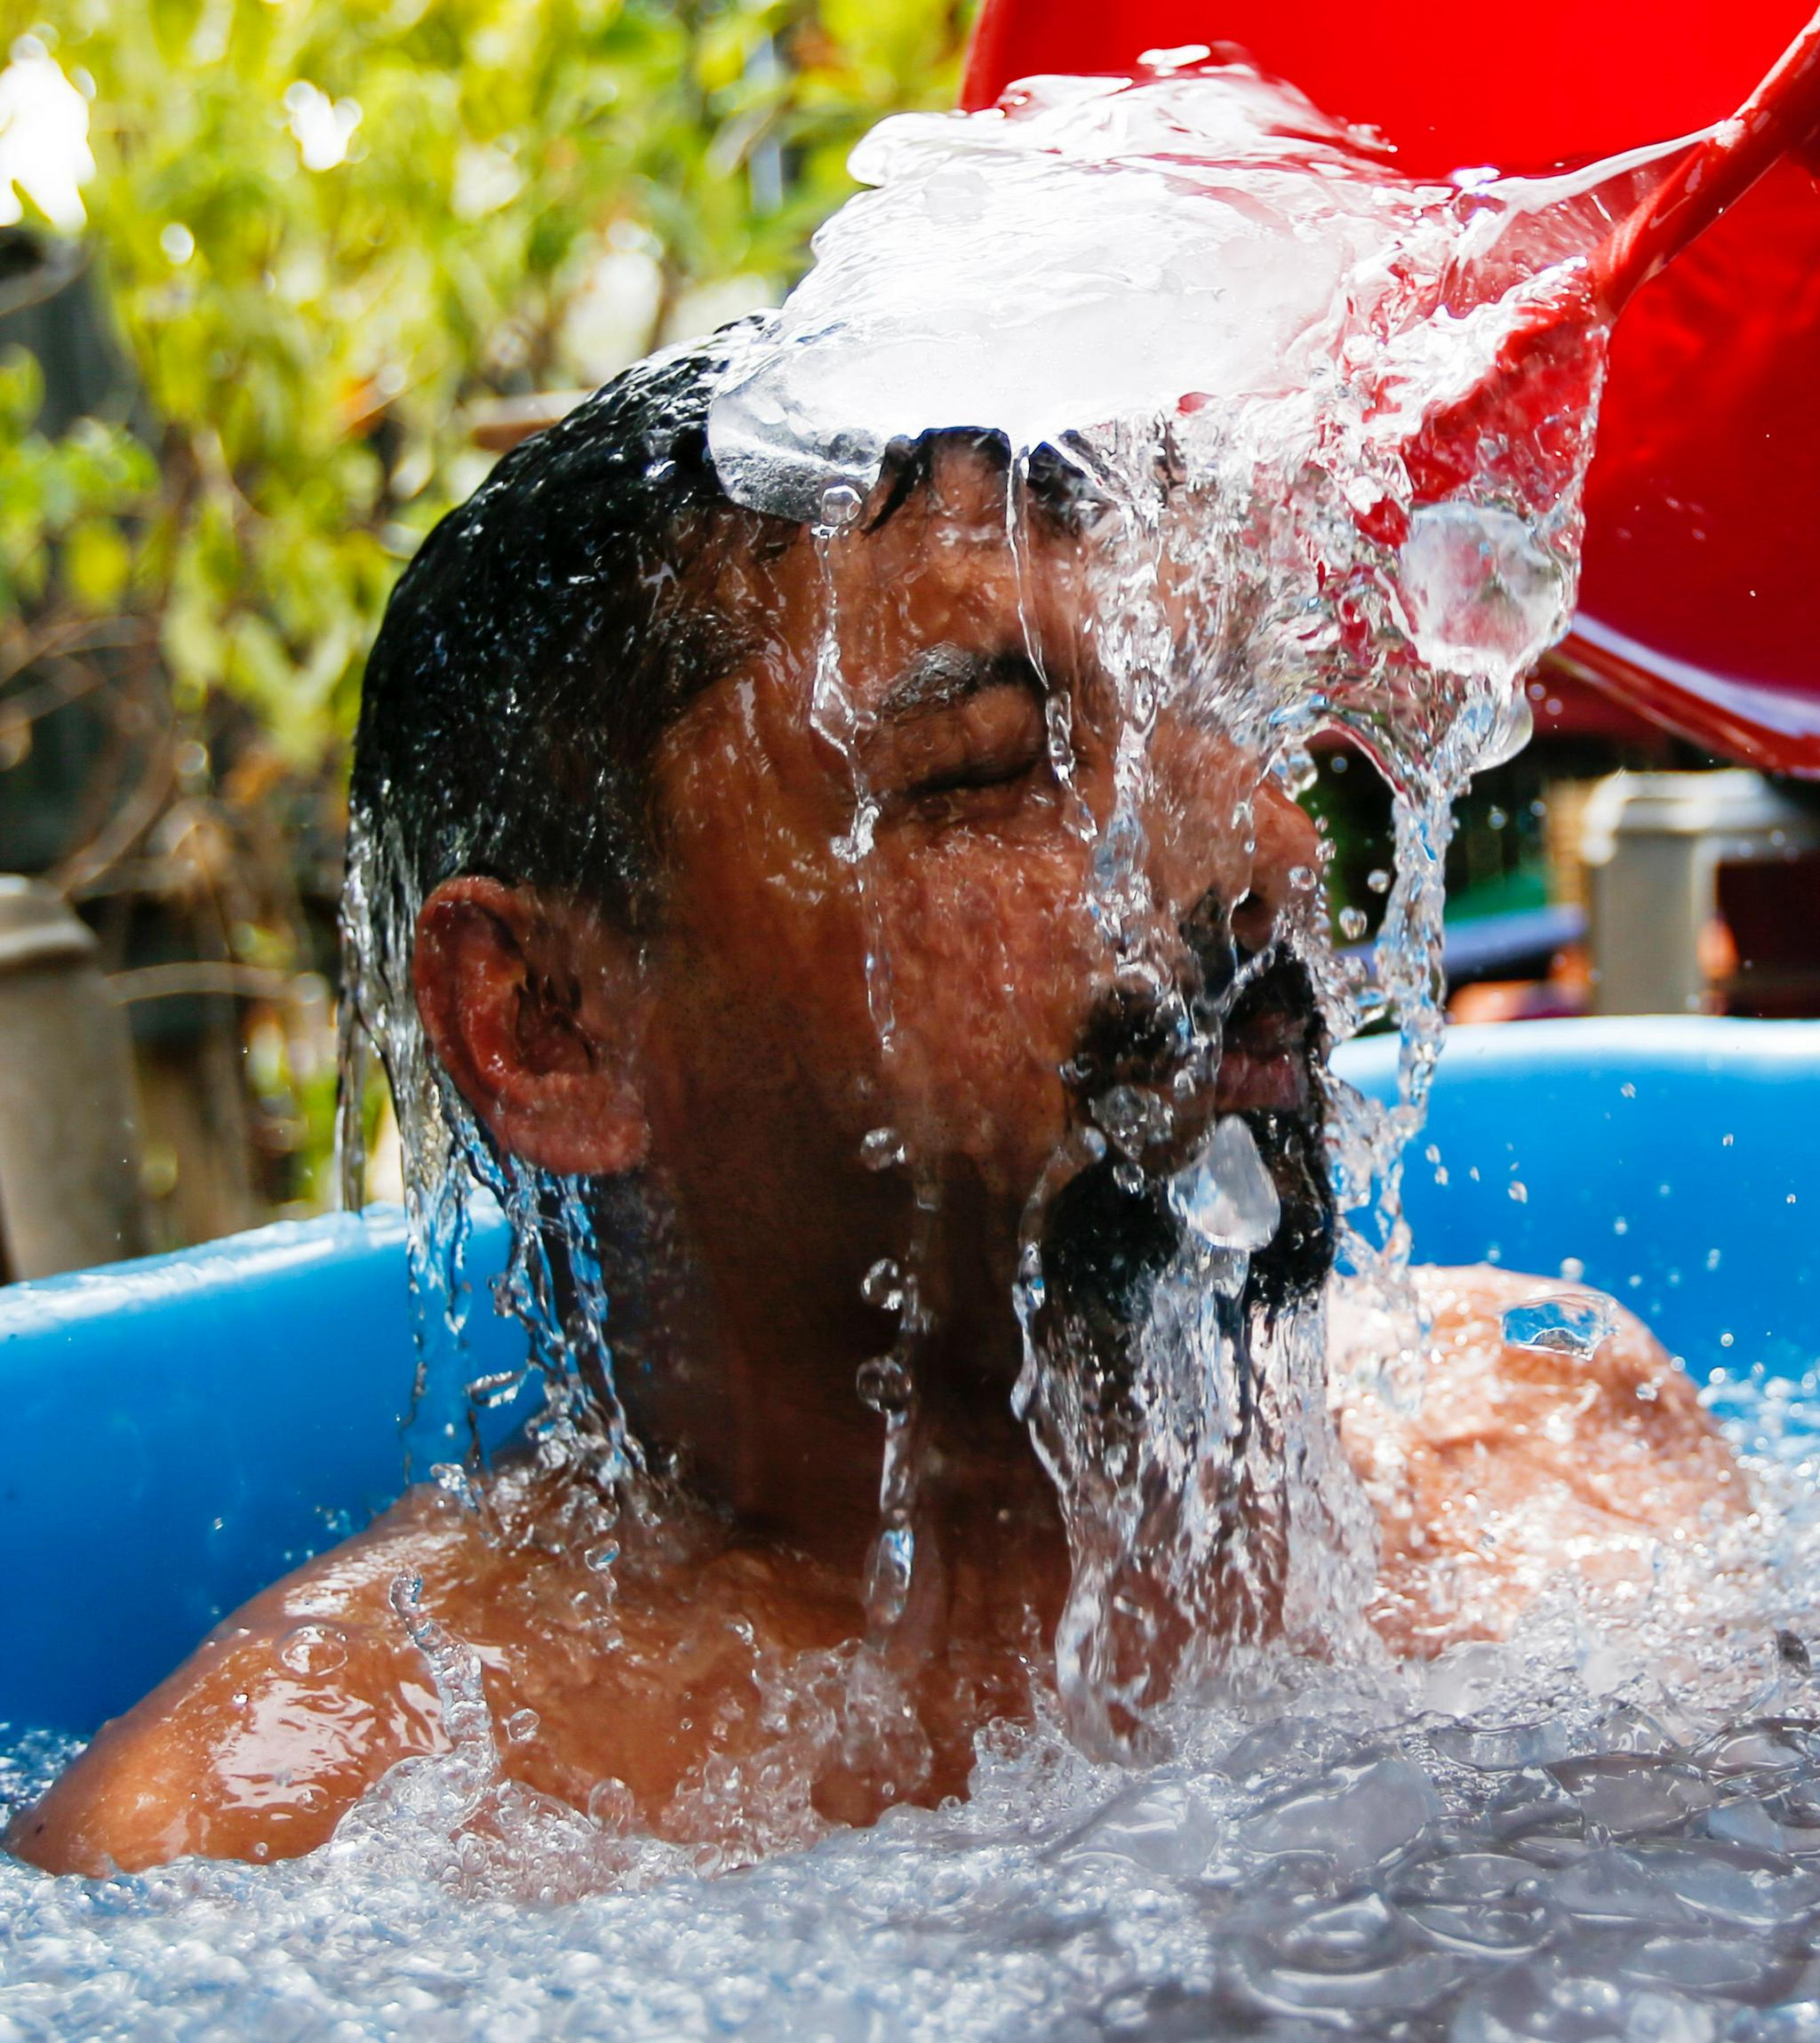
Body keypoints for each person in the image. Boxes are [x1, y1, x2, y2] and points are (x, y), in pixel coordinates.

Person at [10, 330, 1743, 1878]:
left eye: (1230, 713)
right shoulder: (310, 1837)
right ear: (550, 1030)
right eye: (992, 768)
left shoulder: (1565, 1460)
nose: (1267, 853)